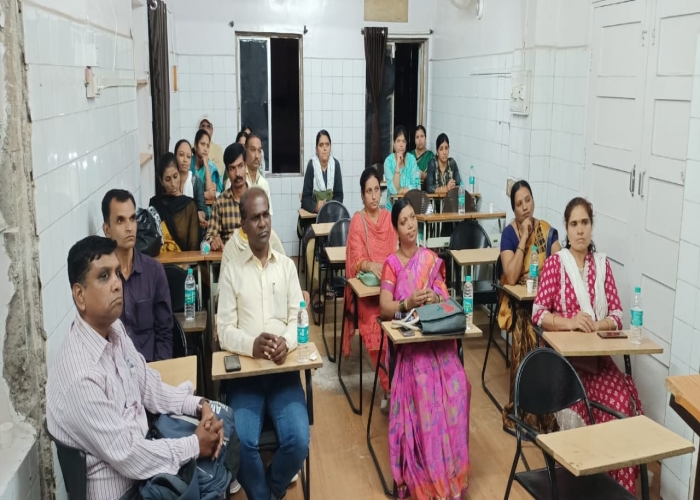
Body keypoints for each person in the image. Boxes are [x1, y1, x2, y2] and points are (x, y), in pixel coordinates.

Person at [47, 236, 224, 500]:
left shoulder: (114, 330)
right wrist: (194, 445)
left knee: (222, 440)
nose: (117, 284)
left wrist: (199, 405)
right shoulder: (80, 376)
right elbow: (129, 455)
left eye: (117, 273)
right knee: (212, 477)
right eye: (104, 276)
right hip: (128, 490)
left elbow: (148, 385)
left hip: (144, 464)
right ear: (80, 295)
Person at [532, 197, 642, 493]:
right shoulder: (557, 264)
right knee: (596, 410)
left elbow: (617, 315)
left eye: (585, 223)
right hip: (566, 365)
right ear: (567, 229)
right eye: (574, 224)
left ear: (592, 226)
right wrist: (570, 322)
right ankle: (590, 483)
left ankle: (615, 489)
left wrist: (597, 324)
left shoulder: (602, 266)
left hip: (597, 359)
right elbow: (538, 314)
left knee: (621, 403)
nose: (580, 230)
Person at [217, 187, 308, 500]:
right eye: (255, 217)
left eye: (266, 214)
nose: (262, 223)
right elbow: (224, 330)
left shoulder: (286, 266)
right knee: (240, 443)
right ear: (243, 225)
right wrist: (251, 345)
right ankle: (263, 495)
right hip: (246, 377)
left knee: (299, 440)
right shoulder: (232, 271)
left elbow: (298, 317)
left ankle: (272, 488)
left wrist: (288, 341)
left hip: (283, 372)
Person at [378, 198, 470, 500]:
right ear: (396, 229)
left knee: (459, 386)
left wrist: (434, 298)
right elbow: (385, 307)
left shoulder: (430, 259)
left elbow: (445, 299)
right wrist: (407, 303)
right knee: (425, 388)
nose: (410, 226)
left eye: (412, 219)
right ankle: (428, 475)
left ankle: (451, 471)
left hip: (436, 340)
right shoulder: (392, 265)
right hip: (411, 348)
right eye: (403, 222)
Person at [498, 180, 562, 430]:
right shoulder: (509, 234)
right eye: (519, 204)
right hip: (521, 307)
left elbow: (561, 268)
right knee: (527, 330)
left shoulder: (547, 231)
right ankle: (525, 407)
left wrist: (544, 280)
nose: (525, 207)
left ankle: (552, 409)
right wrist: (524, 238)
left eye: (528, 200)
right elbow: (512, 276)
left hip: (546, 304)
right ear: (513, 209)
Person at [342, 167, 396, 397]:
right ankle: (390, 387)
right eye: (369, 191)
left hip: (389, 289)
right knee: (376, 326)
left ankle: (400, 382)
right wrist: (371, 265)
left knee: (402, 323)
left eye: (376, 190)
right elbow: (356, 259)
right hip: (366, 294)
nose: (374, 196)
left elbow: (396, 253)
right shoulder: (358, 220)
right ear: (362, 195)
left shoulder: (388, 218)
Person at [102, 190, 173, 362]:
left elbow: (164, 331)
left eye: (132, 219)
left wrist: (159, 371)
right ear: (107, 230)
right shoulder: (101, 278)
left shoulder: (154, 271)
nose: (129, 228)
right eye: (120, 221)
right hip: (115, 371)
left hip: (151, 368)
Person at [301, 130, 344, 308]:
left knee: (336, 243)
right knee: (312, 247)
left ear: (330, 147)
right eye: (321, 145)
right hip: (313, 222)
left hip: (331, 220)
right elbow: (305, 198)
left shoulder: (336, 165)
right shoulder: (312, 166)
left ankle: (329, 283)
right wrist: (316, 206)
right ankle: (316, 289)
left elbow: (340, 195)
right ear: (316, 148)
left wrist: (330, 207)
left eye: (327, 145)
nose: (324, 149)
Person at [150, 153, 200, 253]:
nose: (173, 184)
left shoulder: (189, 205)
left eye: (175, 176)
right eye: (168, 179)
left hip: (185, 261)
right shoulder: (155, 204)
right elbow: (153, 242)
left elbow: (193, 248)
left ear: (179, 174)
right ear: (161, 181)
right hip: (161, 261)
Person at [205, 143, 248, 251]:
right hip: (228, 258)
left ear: (246, 166)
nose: (237, 173)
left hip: (252, 257)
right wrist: (213, 242)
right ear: (227, 173)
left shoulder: (256, 199)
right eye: (232, 168)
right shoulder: (220, 203)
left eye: (240, 166)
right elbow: (210, 236)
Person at [384, 126, 421, 211]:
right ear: (394, 144)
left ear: (406, 144)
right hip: (392, 210)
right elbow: (393, 191)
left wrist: (403, 190)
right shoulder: (388, 162)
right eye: (398, 141)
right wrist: (397, 165)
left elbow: (416, 187)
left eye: (403, 141)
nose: (401, 145)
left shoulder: (411, 159)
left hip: (410, 208)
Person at [174, 139, 207, 227]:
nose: (185, 160)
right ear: (175, 157)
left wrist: (200, 214)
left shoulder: (196, 182)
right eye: (181, 155)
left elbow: (203, 209)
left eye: (188, 156)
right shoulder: (171, 181)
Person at [191, 129, 224, 204]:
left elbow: (211, 195)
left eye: (208, 146)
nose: (205, 149)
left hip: (207, 208)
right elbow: (185, 192)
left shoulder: (211, 167)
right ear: (195, 145)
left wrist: (206, 166)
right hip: (190, 207)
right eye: (202, 144)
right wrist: (204, 195)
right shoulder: (189, 164)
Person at [245, 134, 273, 215]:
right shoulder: (238, 180)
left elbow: (268, 215)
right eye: (253, 150)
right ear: (245, 151)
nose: (257, 156)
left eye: (259, 151)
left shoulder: (264, 183)